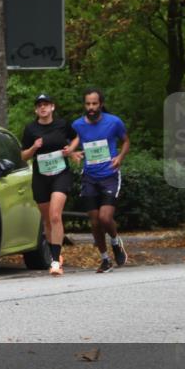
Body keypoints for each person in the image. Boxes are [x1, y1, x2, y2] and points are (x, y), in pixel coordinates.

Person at [66, 88, 130, 273]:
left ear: (101, 104)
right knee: (94, 222)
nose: (91, 107)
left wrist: (120, 157)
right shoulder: (77, 125)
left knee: (105, 218)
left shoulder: (114, 122)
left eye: (94, 104)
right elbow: (71, 144)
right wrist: (72, 154)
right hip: (89, 177)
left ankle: (116, 242)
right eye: (88, 104)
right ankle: (105, 259)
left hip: (110, 175)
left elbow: (126, 141)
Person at [21, 94, 75, 276]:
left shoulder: (62, 125)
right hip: (41, 177)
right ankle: (55, 255)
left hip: (61, 174)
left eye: (46, 104)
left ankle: (55, 261)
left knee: (55, 216)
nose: (43, 108)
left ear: (52, 107)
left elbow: (77, 138)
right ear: (36, 110)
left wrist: (70, 150)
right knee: (47, 220)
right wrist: (34, 147)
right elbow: (23, 156)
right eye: (39, 105)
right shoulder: (30, 129)